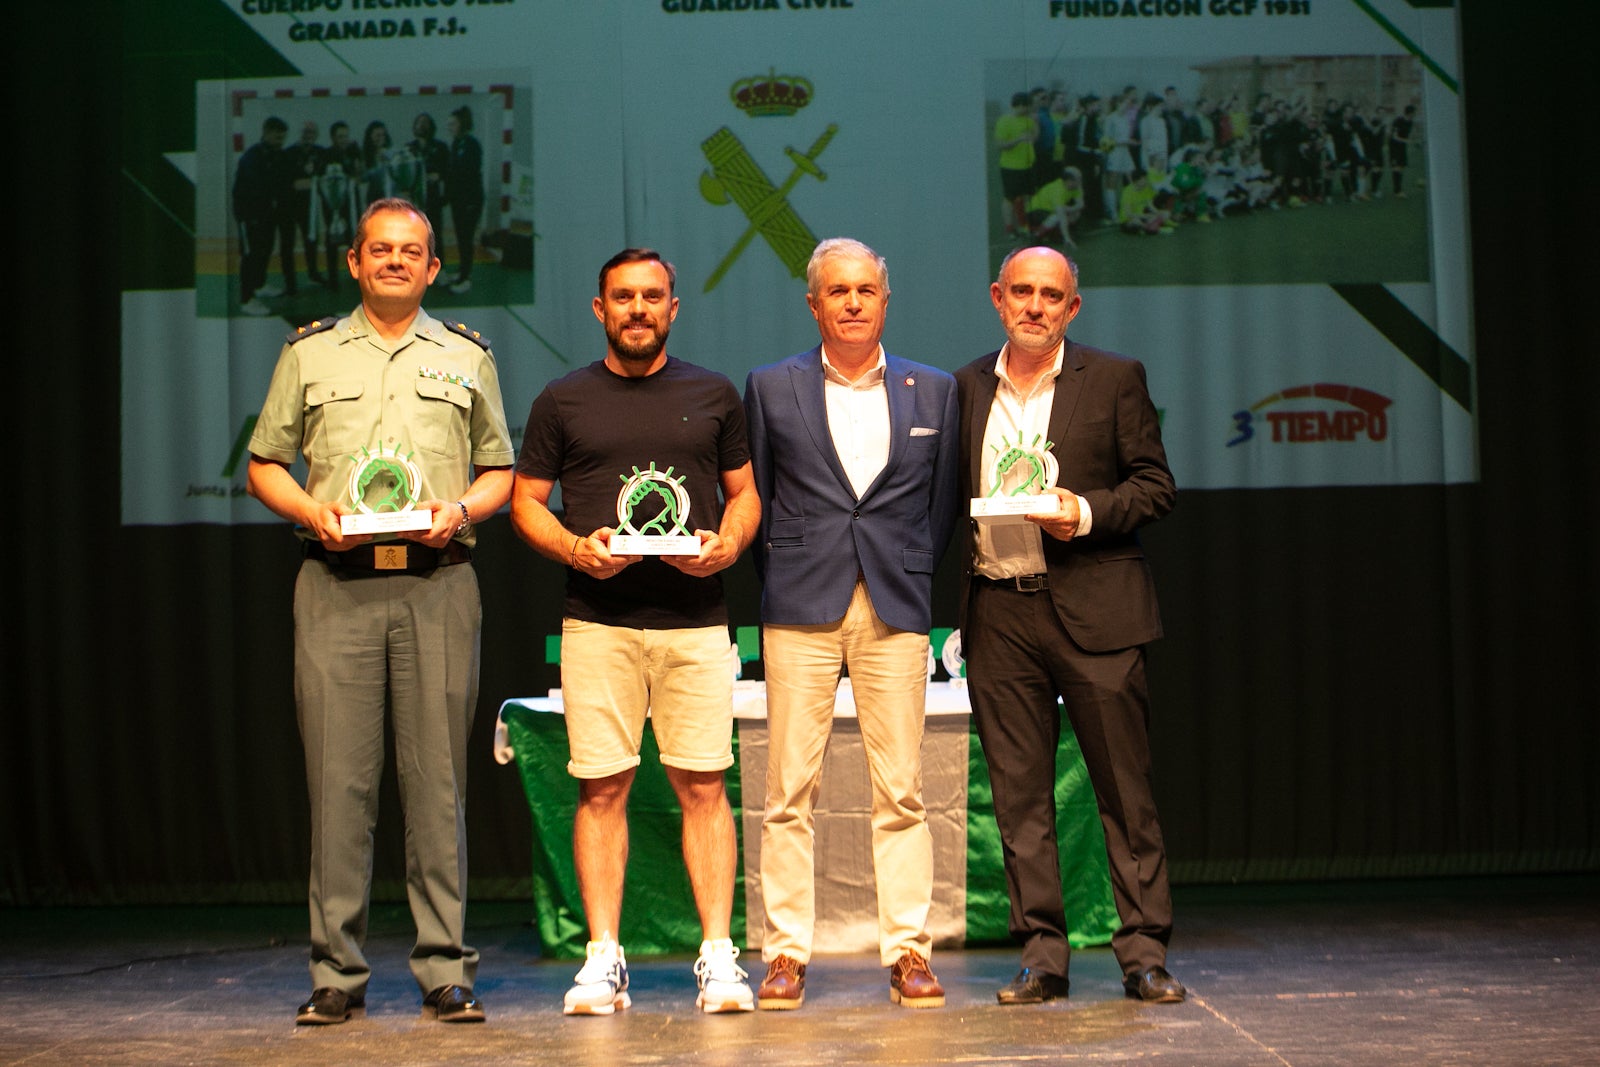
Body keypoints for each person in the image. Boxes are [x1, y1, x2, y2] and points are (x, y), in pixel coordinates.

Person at [245, 197, 514, 1025]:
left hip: (438, 584)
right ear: (355, 262)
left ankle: (444, 968)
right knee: (340, 787)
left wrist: (463, 511)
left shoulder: (467, 357)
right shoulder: (309, 353)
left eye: (412, 251)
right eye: (380, 249)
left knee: (438, 786)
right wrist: (306, 510)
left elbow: (498, 470)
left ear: (434, 267)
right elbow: (265, 461)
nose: (395, 260)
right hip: (335, 587)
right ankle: (337, 972)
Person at [510, 248, 761, 1016]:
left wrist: (729, 543)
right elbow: (525, 501)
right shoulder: (563, 400)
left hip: (695, 622)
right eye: (624, 297)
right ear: (600, 309)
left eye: (653, 296)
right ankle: (604, 959)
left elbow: (745, 495)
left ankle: (719, 958)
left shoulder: (714, 393)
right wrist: (574, 547)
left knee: (704, 786)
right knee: (602, 788)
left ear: (674, 308)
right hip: (598, 622)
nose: (639, 309)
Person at [954, 246, 1183, 1007]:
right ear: (997, 297)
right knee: (1020, 799)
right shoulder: (961, 389)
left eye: (1052, 295)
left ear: (1072, 307)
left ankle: (1144, 951)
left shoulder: (1115, 378)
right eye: (1022, 291)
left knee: (1124, 792)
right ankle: (1042, 956)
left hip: (1097, 607)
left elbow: (1155, 486)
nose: (1035, 306)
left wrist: (1081, 511)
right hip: (999, 610)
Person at [743, 237, 959, 1011]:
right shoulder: (770, 387)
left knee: (900, 790)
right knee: (786, 792)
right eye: (838, 291)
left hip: (895, 604)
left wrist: (904, 569)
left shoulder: (933, 391)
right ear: (814, 303)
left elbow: (936, 512)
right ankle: (785, 956)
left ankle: (907, 952)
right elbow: (760, 500)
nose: (854, 302)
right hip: (800, 601)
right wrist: (793, 578)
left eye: (867, 289)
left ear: (886, 299)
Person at [233, 116, 288, 316]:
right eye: (276, 136)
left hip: (267, 215)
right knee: (251, 256)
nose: (279, 141)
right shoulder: (251, 157)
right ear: (265, 133)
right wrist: (250, 216)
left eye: (282, 138)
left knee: (265, 251)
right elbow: (254, 188)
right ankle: (246, 299)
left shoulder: (277, 155)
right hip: (250, 216)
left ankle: (259, 284)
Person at [281, 121, 327, 293]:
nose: (309, 134)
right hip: (288, 206)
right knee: (288, 244)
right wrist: (305, 183)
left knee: (312, 240)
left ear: (316, 135)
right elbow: (288, 182)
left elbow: (323, 177)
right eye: (306, 131)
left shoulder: (320, 153)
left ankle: (313, 274)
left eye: (312, 132)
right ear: (300, 133)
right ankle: (290, 282)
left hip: (310, 207)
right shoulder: (288, 154)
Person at [443, 107, 484, 295]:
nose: (449, 127)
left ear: (462, 124)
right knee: (461, 237)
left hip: (470, 200)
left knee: (467, 238)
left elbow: (468, 173)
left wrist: (467, 199)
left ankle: (465, 278)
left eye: (453, 123)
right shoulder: (455, 144)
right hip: (458, 200)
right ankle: (461, 271)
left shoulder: (471, 144)